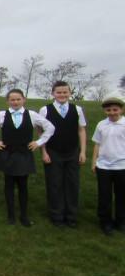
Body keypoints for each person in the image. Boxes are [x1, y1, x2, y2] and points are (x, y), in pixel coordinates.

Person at [0, 89, 55, 227]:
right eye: (12, 100)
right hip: (8, 154)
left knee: (23, 185)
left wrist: (38, 142)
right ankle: (11, 215)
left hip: (24, 154)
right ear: (8, 101)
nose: (15, 102)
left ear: (23, 100)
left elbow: (50, 127)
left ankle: (24, 216)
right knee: (8, 185)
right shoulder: (2, 115)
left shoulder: (32, 115)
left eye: (18, 99)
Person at [41, 81, 88, 228]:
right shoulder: (45, 110)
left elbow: (81, 130)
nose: (62, 95)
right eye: (59, 92)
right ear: (53, 93)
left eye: (65, 92)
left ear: (70, 93)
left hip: (72, 152)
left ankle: (71, 216)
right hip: (53, 151)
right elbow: (41, 132)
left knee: (72, 184)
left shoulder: (77, 109)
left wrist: (83, 151)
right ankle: (56, 215)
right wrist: (44, 152)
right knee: (55, 184)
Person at [92, 96, 125, 236]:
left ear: (121, 110)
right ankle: (105, 221)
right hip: (104, 166)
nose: (112, 113)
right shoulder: (101, 124)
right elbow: (97, 144)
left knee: (121, 195)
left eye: (115, 110)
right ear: (105, 111)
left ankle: (121, 221)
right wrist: (94, 162)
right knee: (104, 195)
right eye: (108, 110)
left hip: (122, 165)